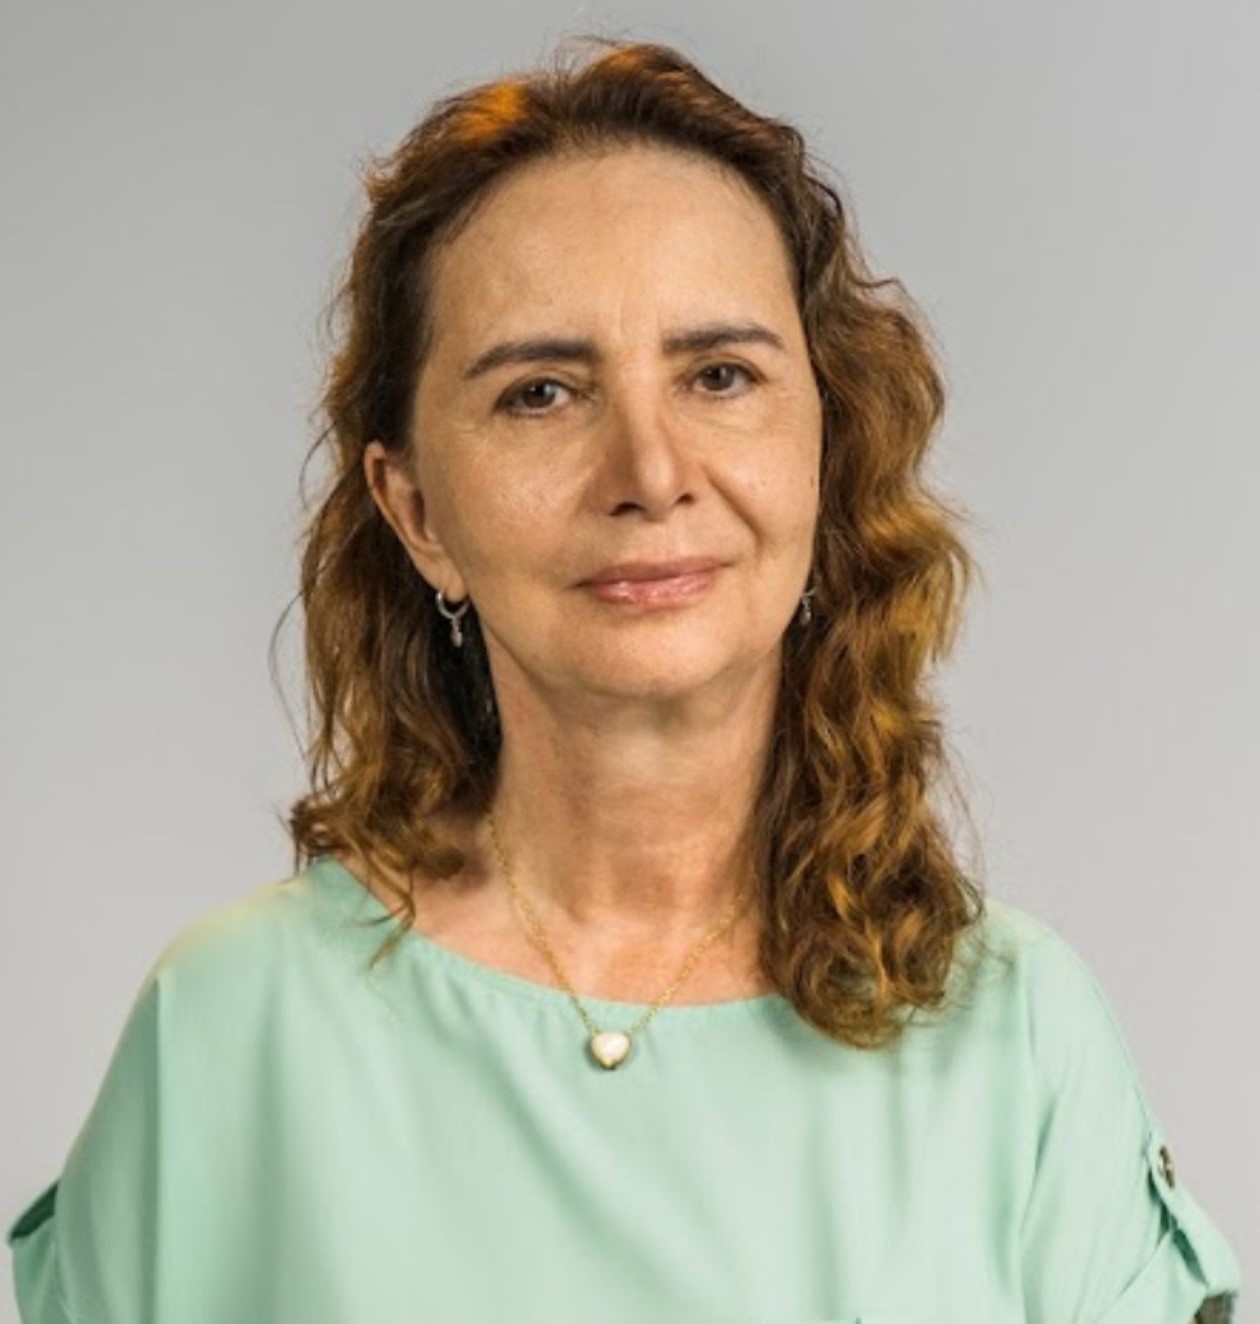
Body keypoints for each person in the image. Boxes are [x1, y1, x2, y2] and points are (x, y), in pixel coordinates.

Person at [6, 34, 1242, 1324]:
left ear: (825, 450)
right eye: (542, 393)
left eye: (720, 376)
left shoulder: (1020, 1039)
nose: (650, 472)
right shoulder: (231, 1031)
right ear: (416, 510)